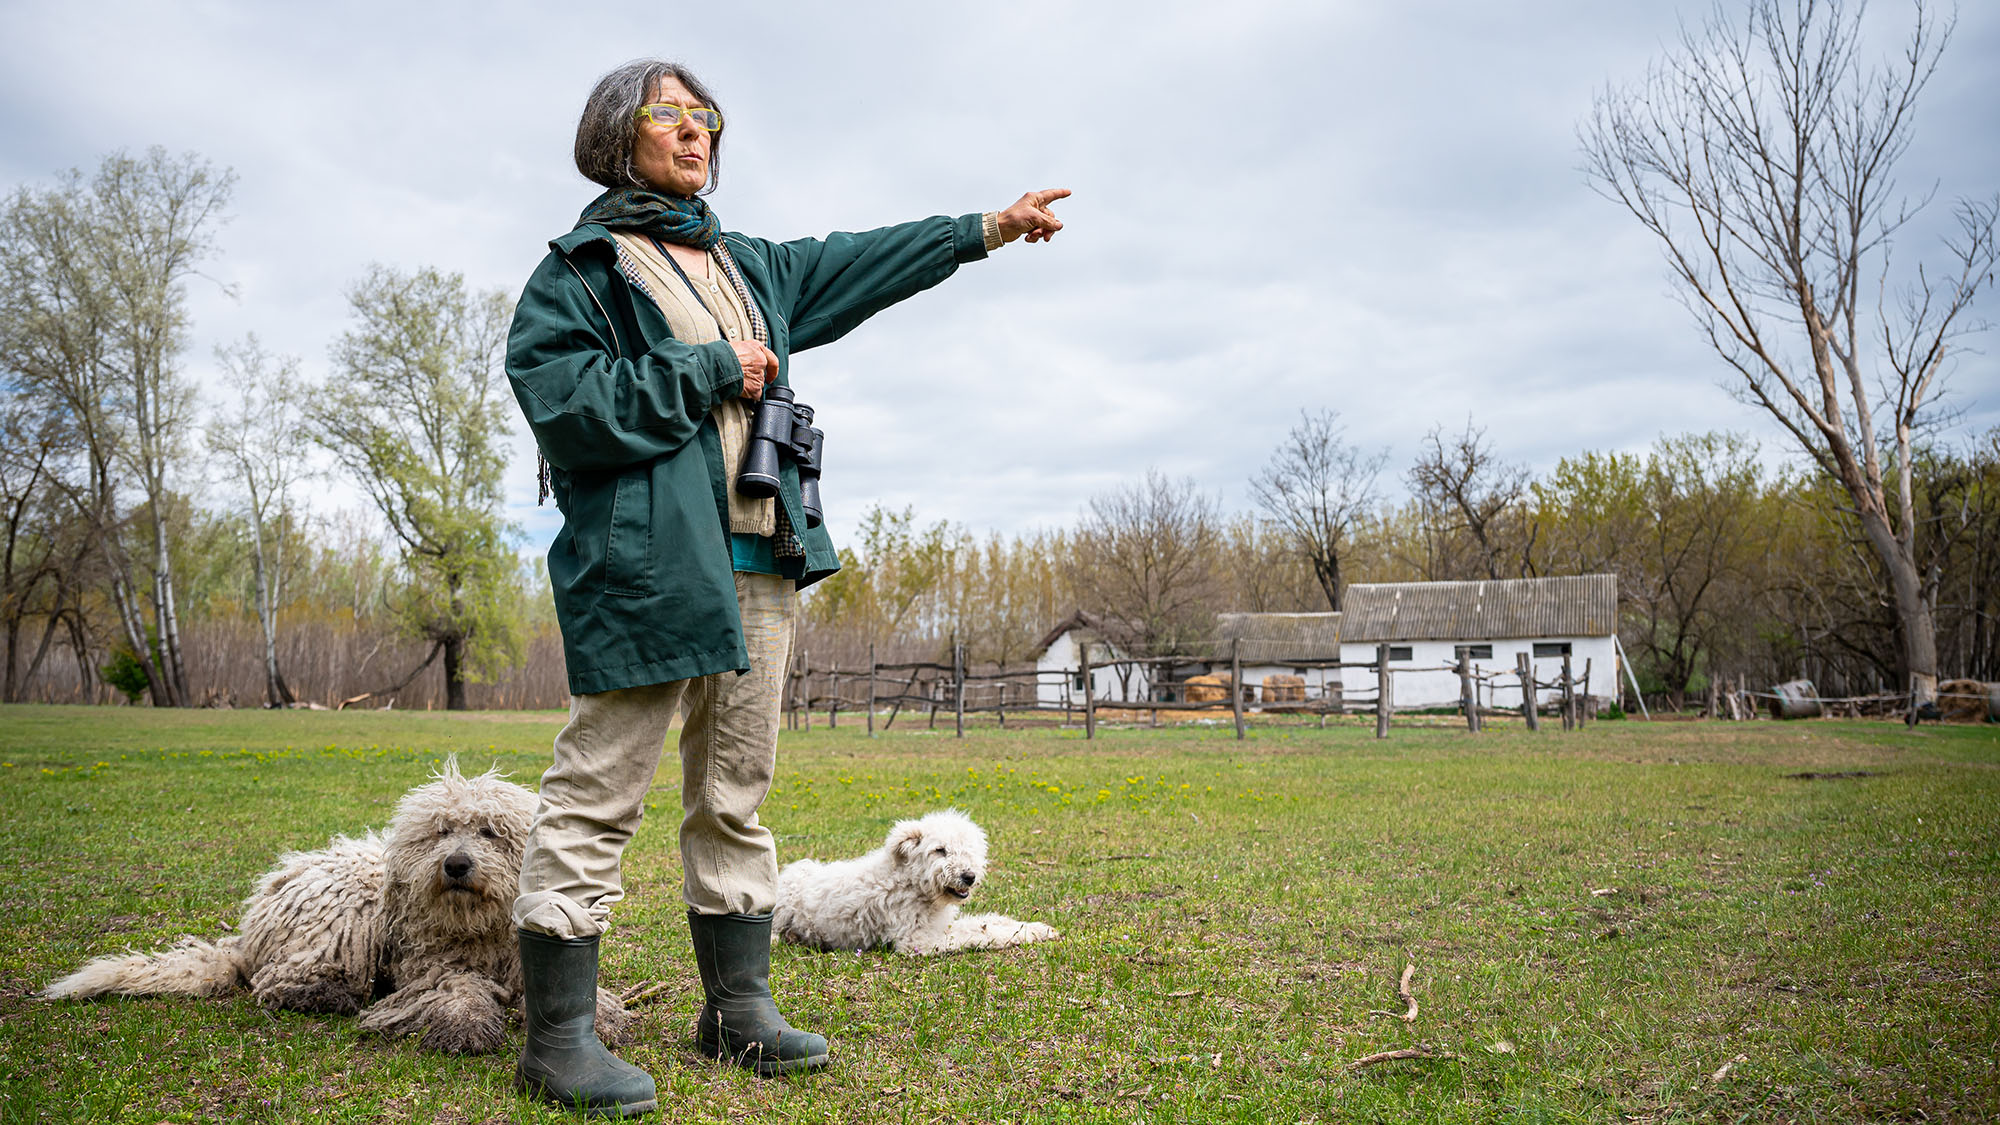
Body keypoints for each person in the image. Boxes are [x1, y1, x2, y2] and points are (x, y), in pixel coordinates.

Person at [503, 58, 1068, 1115]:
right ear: (616, 135)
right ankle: (559, 1037)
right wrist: (713, 369)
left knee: (734, 794)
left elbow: (859, 259)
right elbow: (567, 406)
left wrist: (982, 230)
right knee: (596, 792)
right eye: (668, 115)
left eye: (704, 115)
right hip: (645, 570)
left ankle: (736, 1009)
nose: (694, 131)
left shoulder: (751, 265)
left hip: (763, 561)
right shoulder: (577, 275)